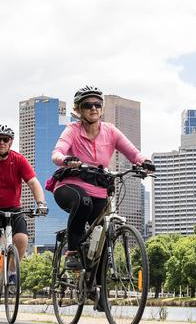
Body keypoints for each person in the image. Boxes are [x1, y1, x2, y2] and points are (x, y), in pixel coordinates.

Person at [50, 85, 154, 270]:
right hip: (70, 186)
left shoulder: (111, 131)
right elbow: (57, 153)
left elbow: (132, 152)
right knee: (83, 202)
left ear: (102, 108)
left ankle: (97, 289)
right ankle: (72, 252)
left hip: (99, 188)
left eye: (97, 104)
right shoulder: (72, 130)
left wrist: (144, 161)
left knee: (104, 236)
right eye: (88, 105)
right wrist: (66, 160)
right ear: (79, 109)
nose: (93, 108)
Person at [0, 124, 48, 296]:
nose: (2, 142)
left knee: (22, 239)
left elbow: (33, 182)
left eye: (6, 139)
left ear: (11, 142)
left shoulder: (18, 160)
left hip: (13, 208)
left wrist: (41, 203)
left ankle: (11, 273)